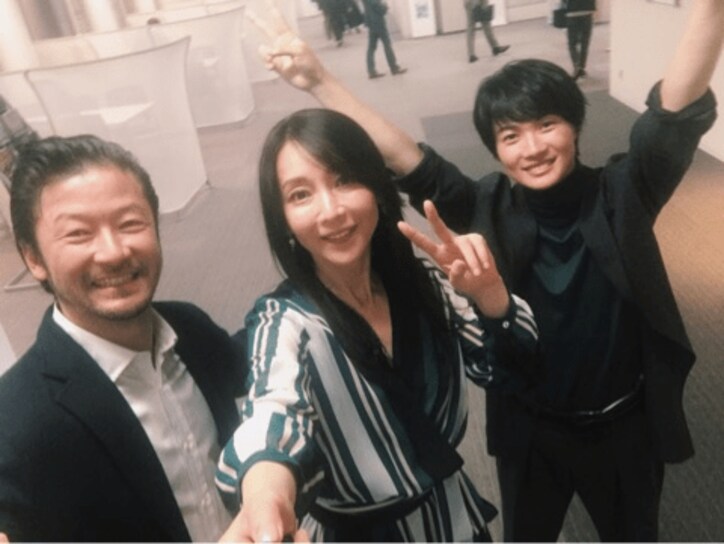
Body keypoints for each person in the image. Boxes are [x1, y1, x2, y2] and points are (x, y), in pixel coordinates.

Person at [250, 0, 723, 540]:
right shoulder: (485, 207)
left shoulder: (623, 194)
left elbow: (671, 118)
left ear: (574, 126)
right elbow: (405, 158)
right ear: (496, 149)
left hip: (624, 425)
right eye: (511, 135)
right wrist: (319, 80)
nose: (533, 147)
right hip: (531, 429)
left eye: (547, 125)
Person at [215, 108, 539, 542]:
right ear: (284, 220)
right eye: (300, 195)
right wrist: (265, 495)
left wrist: (490, 296)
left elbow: (508, 371)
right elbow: (273, 410)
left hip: (452, 520)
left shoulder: (424, 285)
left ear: (376, 189)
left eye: (344, 180)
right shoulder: (285, 322)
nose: (331, 211)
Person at [0, 135, 248, 541]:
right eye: (79, 234)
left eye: (130, 224)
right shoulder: (14, 420)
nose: (114, 252)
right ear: (33, 258)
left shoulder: (190, 329)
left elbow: (258, 360)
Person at [362, 0, 406, 78]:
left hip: (371, 23)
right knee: (387, 45)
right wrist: (385, 6)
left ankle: (371, 71)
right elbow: (379, 7)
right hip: (378, 22)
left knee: (371, 48)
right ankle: (394, 68)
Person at [563, 0, 596, 80]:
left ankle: (577, 66)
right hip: (587, 11)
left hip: (572, 13)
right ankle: (581, 68)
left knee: (572, 44)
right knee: (585, 43)